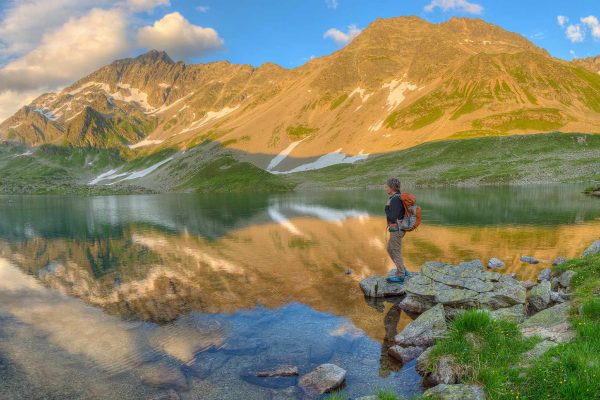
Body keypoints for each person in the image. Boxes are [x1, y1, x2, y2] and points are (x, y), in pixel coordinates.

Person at [384, 178, 409, 283]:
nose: (386, 189)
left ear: (391, 188)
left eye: (387, 187)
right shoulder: (397, 197)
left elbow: (392, 216)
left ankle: (400, 276)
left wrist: (386, 208)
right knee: (390, 248)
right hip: (399, 228)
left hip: (396, 230)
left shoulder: (395, 199)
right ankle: (402, 269)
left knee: (395, 251)